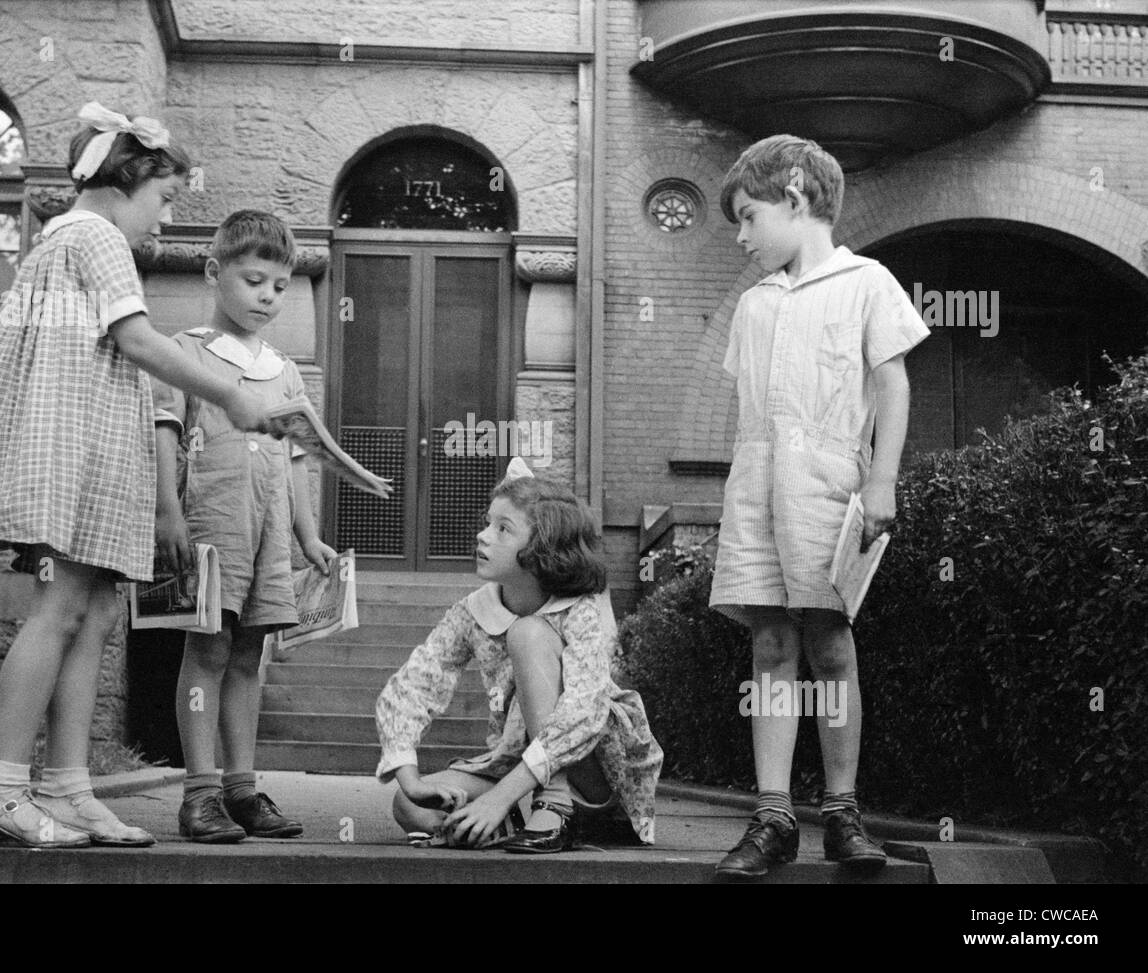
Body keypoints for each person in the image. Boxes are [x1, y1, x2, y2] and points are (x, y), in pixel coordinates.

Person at [0, 103, 281, 849]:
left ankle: (69, 788)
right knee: (61, 606)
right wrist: (228, 389)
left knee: (95, 612)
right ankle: (0, 780)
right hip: (74, 453)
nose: (162, 222)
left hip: (85, 451)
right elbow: (134, 337)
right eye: (163, 199)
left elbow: (13, 350)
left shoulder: (53, 244)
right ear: (127, 178)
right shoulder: (94, 235)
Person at [708, 134, 929, 876]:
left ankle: (841, 809)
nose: (741, 237)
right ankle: (772, 815)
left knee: (830, 643)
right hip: (757, 489)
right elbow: (750, 413)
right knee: (770, 644)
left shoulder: (868, 281)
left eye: (747, 217)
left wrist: (883, 479)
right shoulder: (753, 304)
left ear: (795, 195)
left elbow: (893, 386)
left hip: (831, 487)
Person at [152, 210, 337, 843]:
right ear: (214, 272)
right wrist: (165, 512)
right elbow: (164, 434)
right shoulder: (185, 353)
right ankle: (199, 793)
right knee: (205, 650)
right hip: (211, 523)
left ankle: (241, 788)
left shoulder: (284, 370)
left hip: (269, 538)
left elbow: (295, 459)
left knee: (250, 657)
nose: (267, 296)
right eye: (254, 280)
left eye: (281, 286)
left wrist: (307, 535)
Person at [376, 459, 664, 854]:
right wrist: (410, 778)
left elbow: (585, 712)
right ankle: (503, 823)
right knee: (408, 805)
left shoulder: (579, 608)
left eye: (502, 528)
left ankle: (556, 804)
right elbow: (413, 686)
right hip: (519, 767)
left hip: (596, 773)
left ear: (541, 547)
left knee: (527, 633)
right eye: (487, 522)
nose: (482, 536)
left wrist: (497, 798)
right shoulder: (473, 611)